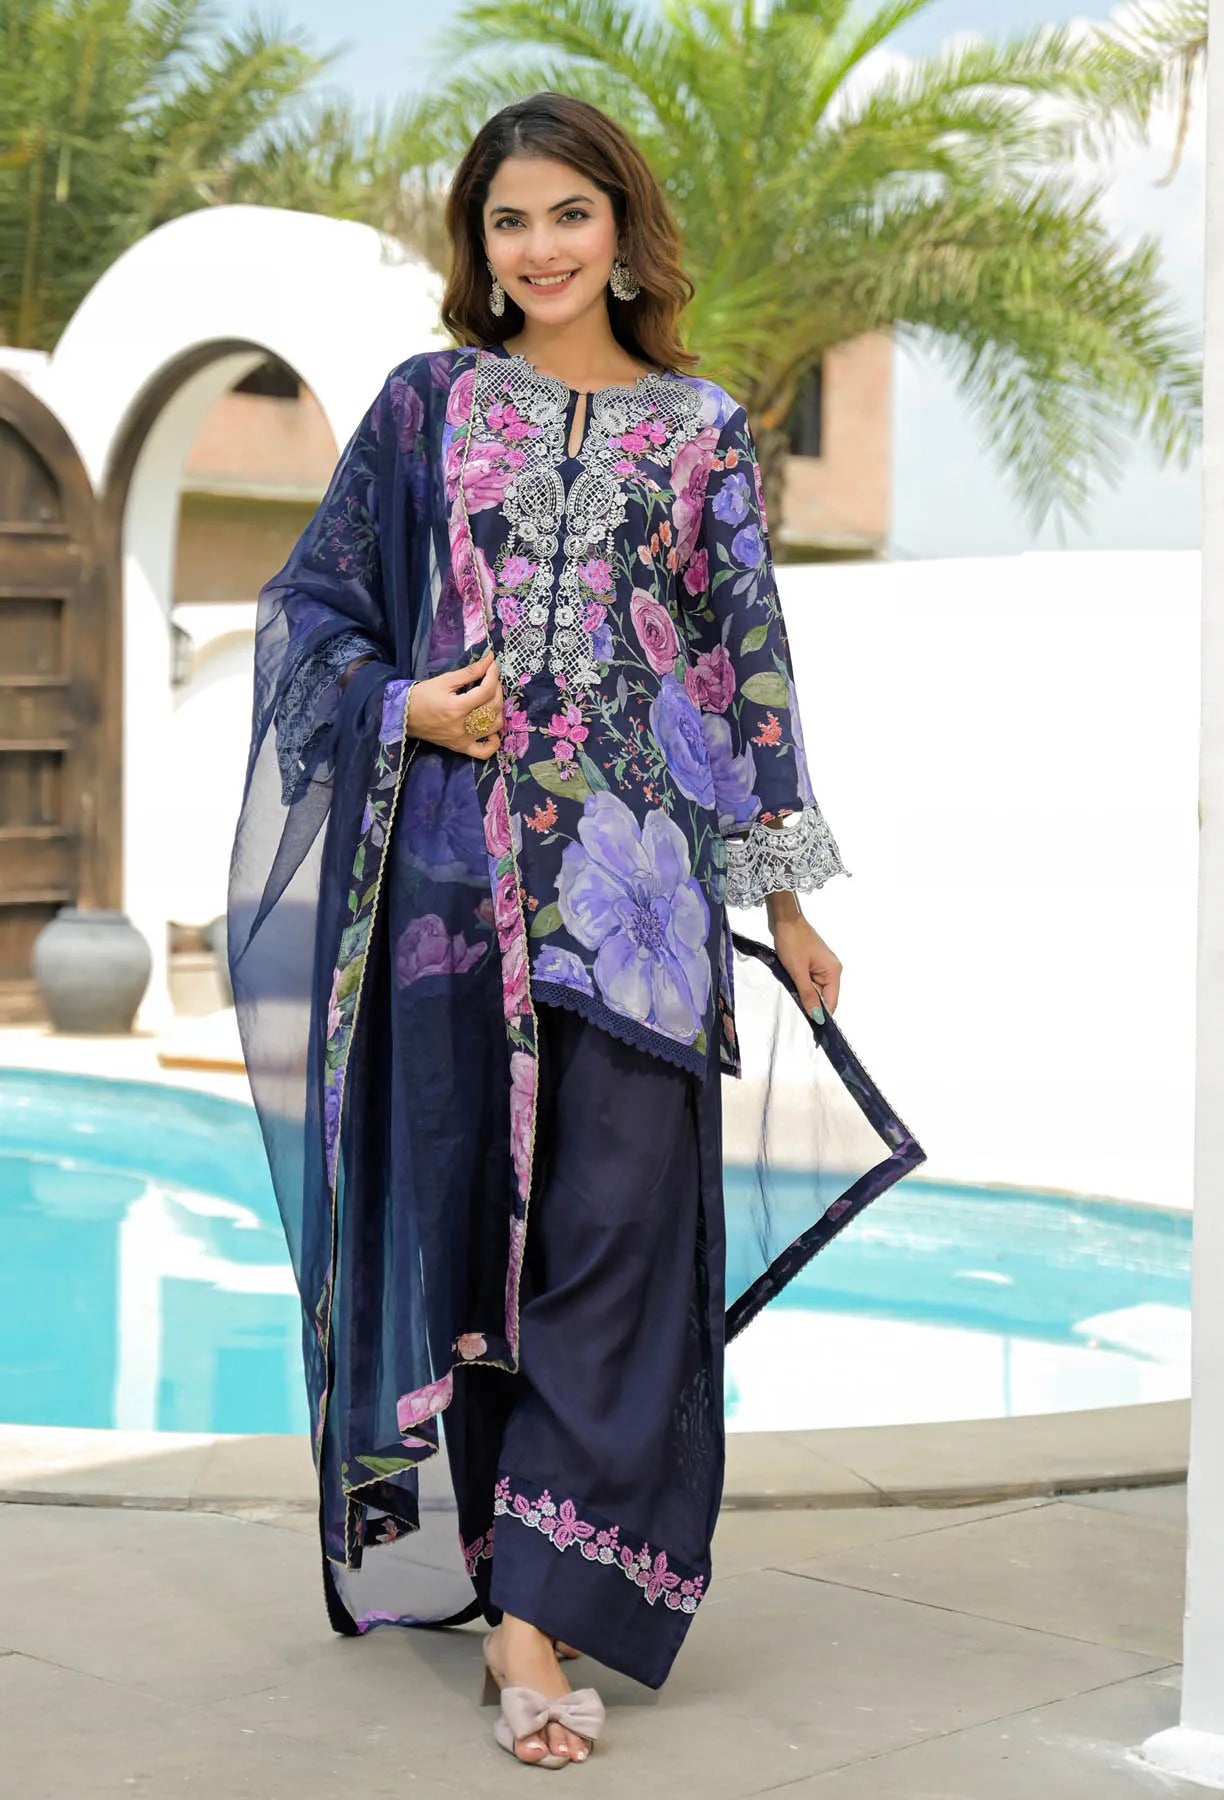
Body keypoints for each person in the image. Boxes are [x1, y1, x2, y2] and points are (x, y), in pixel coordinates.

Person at [227, 90, 923, 1771]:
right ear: (479, 246)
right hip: (454, 899)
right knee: (475, 1244)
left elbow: (744, 669)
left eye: (569, 214)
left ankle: (536, 1611)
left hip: (648, 908)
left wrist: (787, 900)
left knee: (616, 1247)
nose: (539, 248)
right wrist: (402, 706)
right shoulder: (423, 409)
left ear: (624, 227)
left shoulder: (700, 430)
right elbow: (306, 610)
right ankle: (502, 1593)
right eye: (508, 221)